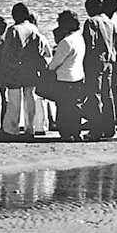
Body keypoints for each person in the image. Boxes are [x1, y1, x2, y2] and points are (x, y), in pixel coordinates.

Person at [0, 3, 49, 138]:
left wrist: (5, 69)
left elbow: (8, 52)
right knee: (30, 98)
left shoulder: (13, 30)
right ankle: (30, 128)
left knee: (14, 100)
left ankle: (12, 129)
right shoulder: (33, 29)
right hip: (30, 68)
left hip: (15, 70)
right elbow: (38, 50)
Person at [82, 0, 117, 141]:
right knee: (107, 94)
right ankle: (109, 128)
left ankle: (95, 130)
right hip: (108, 61)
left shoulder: (91, 22)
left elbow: (89, 45)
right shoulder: (109, 22)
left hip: (95, 62)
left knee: (94, 95)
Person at [48, 11, 86, 142]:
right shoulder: (79, 38)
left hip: (65, 78)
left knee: (63, 107)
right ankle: (75, 132)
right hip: (78, 76)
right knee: (75, 107)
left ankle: (66, 133)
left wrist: (48, 70)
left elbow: (55, 63)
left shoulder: (66, 42)